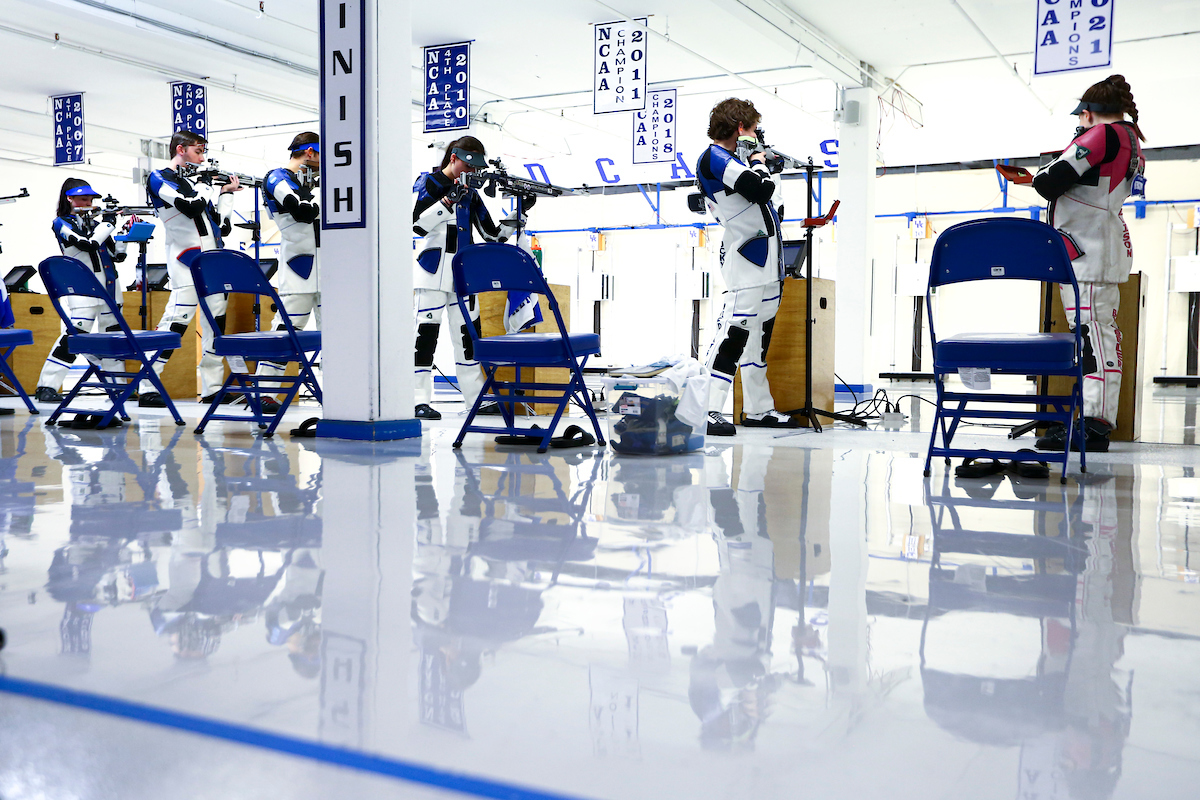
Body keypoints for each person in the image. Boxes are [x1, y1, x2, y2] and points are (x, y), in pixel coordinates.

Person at [1033, 75, 1146, 453]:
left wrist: (1041, 172)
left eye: (1081, 118)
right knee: (1098, 334)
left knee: (1093, 338)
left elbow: (1050, 183)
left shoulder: (1100, 135)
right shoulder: (1130, 139)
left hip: (1088, 250)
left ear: (1087, 113)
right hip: (1100, 244)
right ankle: (1095, 419)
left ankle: (1096, 423)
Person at [696, 99, 799, 436]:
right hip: (747, 259)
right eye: (753, 128)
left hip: (767, 261)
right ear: (741, 128)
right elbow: (760, 189)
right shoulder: (715, 157)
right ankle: (708, 408)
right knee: (734, 333)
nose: (756, 135)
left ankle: (758, 409)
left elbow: (773, 204)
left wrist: (766, 166)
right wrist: (757, 160)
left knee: (758, 339)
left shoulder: (734, 161)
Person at [139, 129, 244, 408]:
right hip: (186, 262)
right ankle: (147, 385)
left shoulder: (196, 183)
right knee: (175, 324)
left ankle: (211, 388)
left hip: (212, 263)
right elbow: (190, 206)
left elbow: (222, 226)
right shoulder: (160, 177)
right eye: (198, 151)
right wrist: (206, 185)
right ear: (181, 149)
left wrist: (226, 195)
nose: (202, 157)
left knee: (216, 327)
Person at [412, 136, 507, 420]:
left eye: (475, 167)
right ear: (453, 157)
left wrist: (517, 214)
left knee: (467, 338)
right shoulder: (427, 183)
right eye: (468, 163)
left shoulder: (473, 193)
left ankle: (475, 397)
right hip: (432, 271)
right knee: (424, 337)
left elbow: (492, 234)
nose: (471, 171)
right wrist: (448, 200)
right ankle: (417, 399)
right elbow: (416, 224)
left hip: (464, 275)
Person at [34, 178, 128, 403]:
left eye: (90, 198)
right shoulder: (61, 222)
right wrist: (108, 225)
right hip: (82, 290)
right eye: (83, 198)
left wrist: (125, 235)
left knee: (113, 338)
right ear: (70, 198)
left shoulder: (98, 225)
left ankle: (118, 387)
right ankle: (47, 386)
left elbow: (118, 256)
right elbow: (87, 244)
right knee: (74, 337)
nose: (88, 202)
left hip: (110, 287)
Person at [253, 132, 322, 414]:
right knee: (285, 332)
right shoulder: (277, 177)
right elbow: (302, 210)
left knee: (339, 334)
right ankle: (263, 391)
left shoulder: (310, 182)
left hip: (329, 266)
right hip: (299, 267)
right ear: (310, 152)